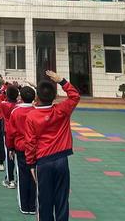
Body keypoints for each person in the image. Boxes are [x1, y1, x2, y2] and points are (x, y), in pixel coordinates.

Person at [25, 70, 80, 221]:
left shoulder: (32, 116)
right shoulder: (61, 110)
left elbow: (30, 142)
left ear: (36, 97)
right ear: (54, 97)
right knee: (62, 199)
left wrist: (30, 163)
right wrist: (62, 81)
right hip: (62, 160)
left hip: (43, 162)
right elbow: (75, 96)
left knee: (45, 200)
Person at [7, 86, 37, 215]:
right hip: (35, 148)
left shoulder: (16, 112)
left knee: (23, 176)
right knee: (35, 176)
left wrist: (10, 147)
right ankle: (33, 205)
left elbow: (10, 132)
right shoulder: (37, 111)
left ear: (21, 97)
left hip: (20, 148)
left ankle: (25, 206)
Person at [0, 84, 19, 188]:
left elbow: (1, 95)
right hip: (19, 133)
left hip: (8, 133)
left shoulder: (3, 104)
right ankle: (17, 178)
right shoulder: (19, 105)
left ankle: (10, 180)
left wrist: (4, 90)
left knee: (9, 157)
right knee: (19, 157)